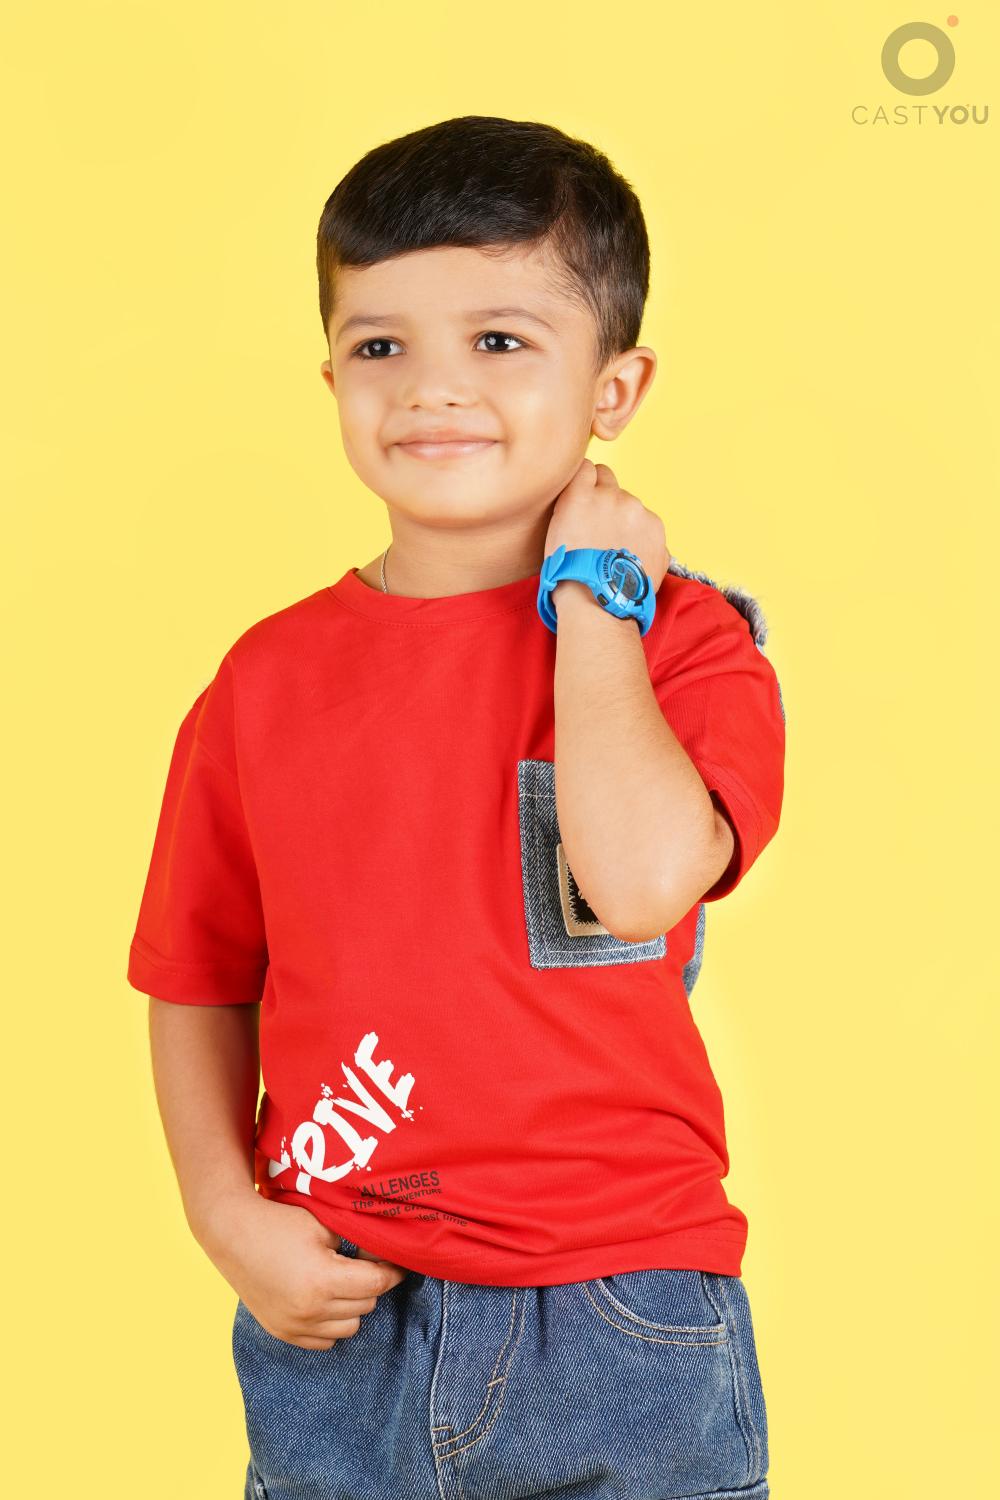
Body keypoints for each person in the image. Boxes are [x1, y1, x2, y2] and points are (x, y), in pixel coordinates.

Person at [127, 114, 785, 1500]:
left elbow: (641, 879)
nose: (433, 389)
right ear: (330, 376)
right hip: (339, 1304)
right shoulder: (264, 681)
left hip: (619, 1312)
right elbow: (196, 974)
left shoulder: (684, 644)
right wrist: (224, 1215)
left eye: (498, 340)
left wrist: (594, 603)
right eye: (381, 347)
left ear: (615, 387)